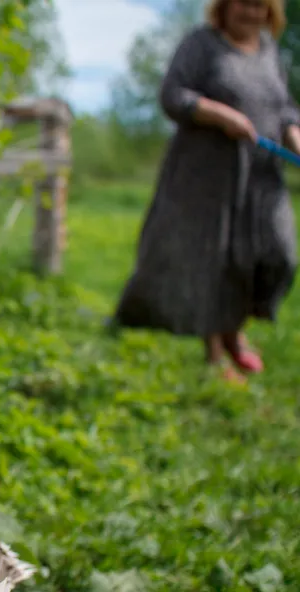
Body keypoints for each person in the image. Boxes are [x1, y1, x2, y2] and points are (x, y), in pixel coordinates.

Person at [113, 0, 299, 381]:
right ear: (224, 7)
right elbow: (173, 95)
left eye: (260, 6)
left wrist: (295, 136)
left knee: (278, 253)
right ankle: (217, 353)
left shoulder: (268, 51)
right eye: (243, 4)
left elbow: (286, 110)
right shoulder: (202, 44)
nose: (251, 13)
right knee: (215, 260)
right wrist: (220, 114)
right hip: (207, 177)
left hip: (261, 176)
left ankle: (234, 330)